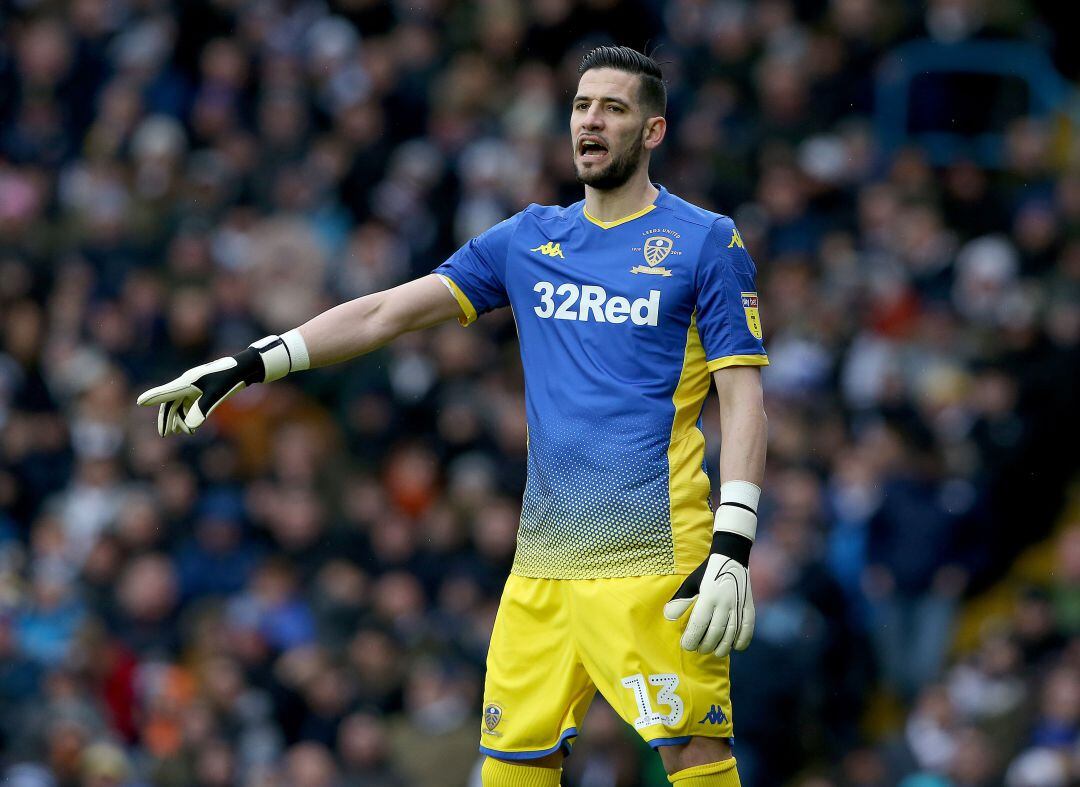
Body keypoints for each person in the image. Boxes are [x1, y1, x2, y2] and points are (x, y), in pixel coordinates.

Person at [138, 46, 769, 787]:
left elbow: (745, 397)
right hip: (541, 567)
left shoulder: (705, 241)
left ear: (653, 131)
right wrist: (252, 361)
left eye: (613, 108)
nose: (590, 121)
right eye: (581, 105)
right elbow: (383, 312)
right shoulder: (531, 239)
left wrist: (733, 543)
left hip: (656, 557)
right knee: (509, 764)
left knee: (694, 754)